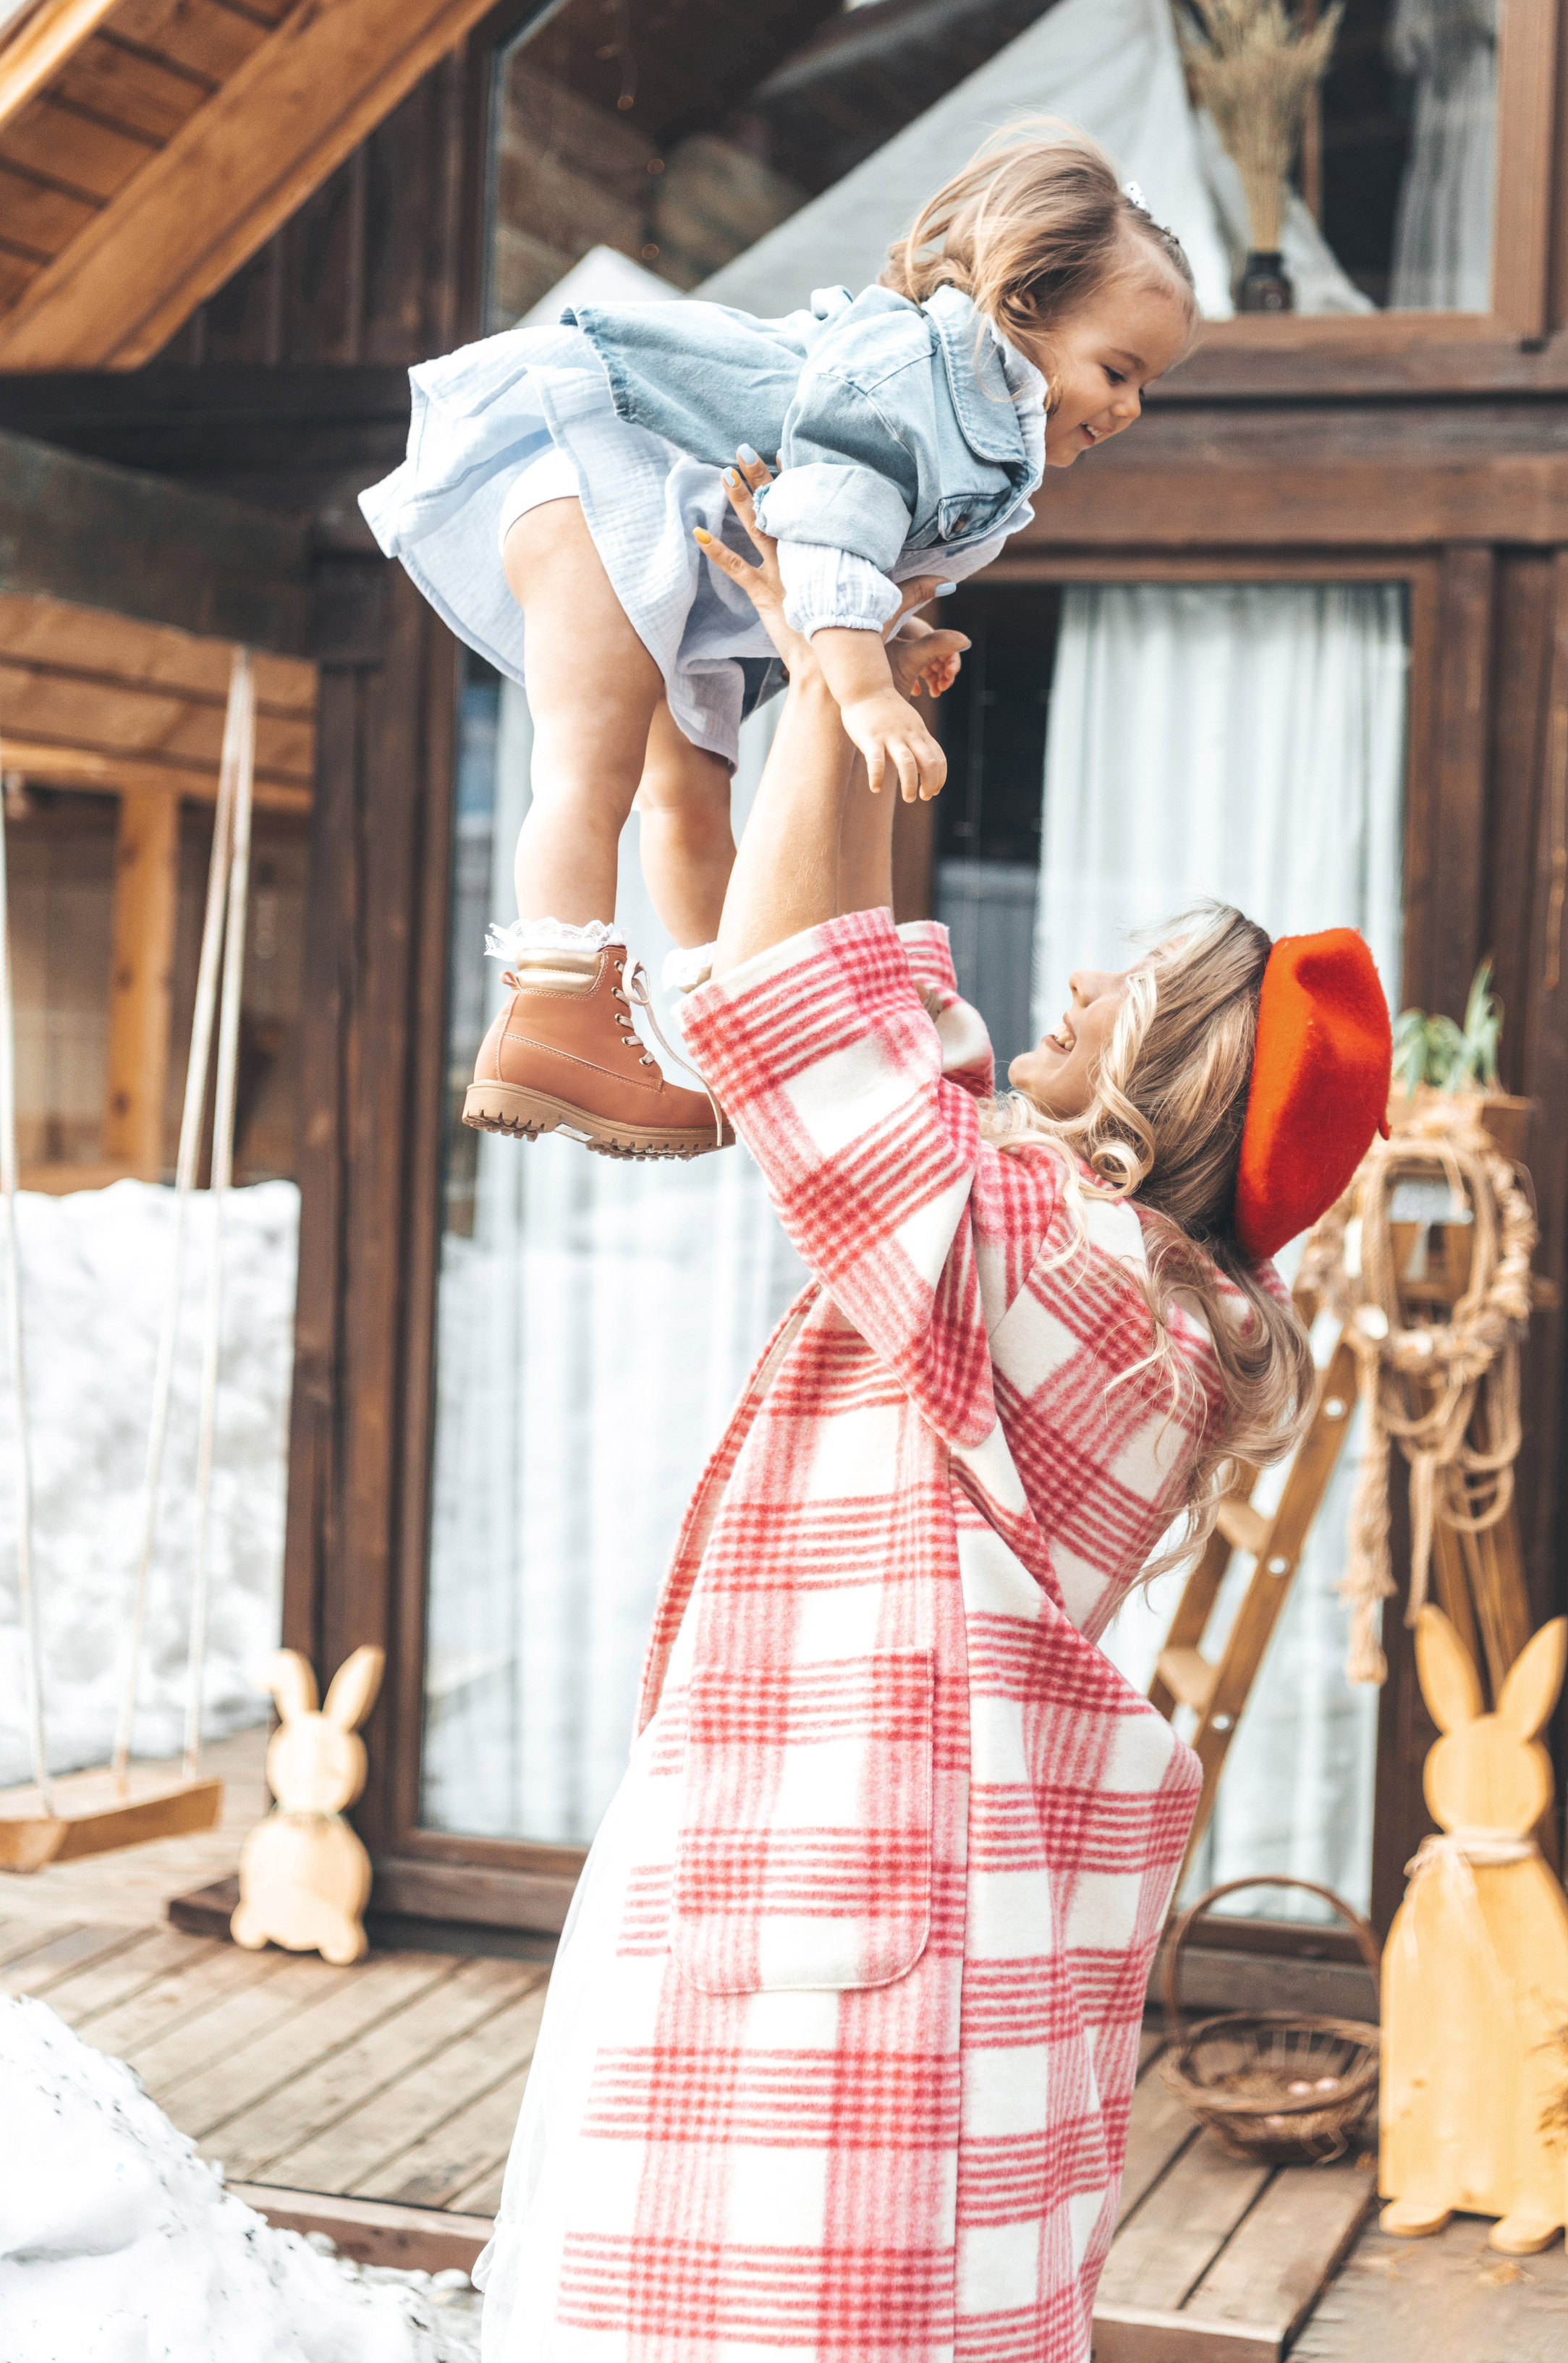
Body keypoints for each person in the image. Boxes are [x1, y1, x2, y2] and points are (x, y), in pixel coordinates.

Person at [474, 499, 1392, 2363]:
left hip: (846, 1900)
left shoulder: (1082, 1282)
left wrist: (832, 667)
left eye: (1131, 985)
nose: (1079, 981)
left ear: (1178, 1077)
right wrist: (852, 679)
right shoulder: (1129, 1285)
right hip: (858, 1881)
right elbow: (851, 986)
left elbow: (797, 1000)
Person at [358, 128, 1198, 1160]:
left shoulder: (979, 419)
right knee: (591, 768)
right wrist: (866, 691)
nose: (1130, 407)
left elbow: (858, 547)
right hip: (611, 493)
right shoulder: (915, 375)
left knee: (690, 798)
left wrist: (892, 637)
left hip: (684, 551)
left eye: (1146, 386)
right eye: (1118, 370)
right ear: (1025, 304)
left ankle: (745, 1025)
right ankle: (553, 1017)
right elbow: (833, 518)